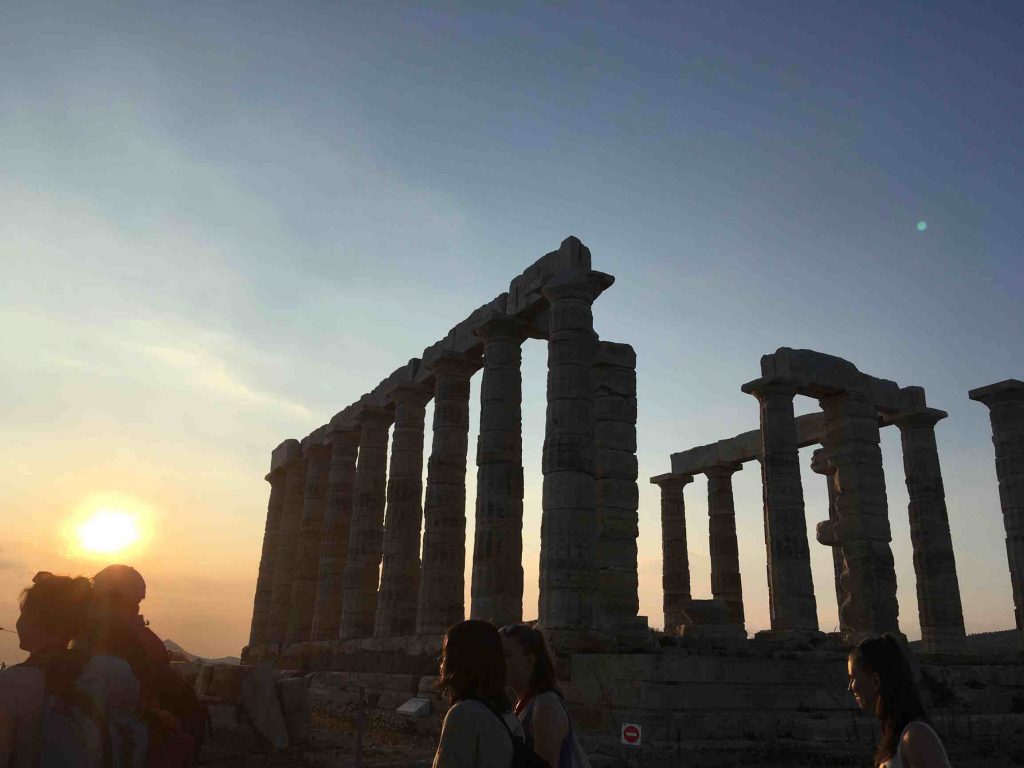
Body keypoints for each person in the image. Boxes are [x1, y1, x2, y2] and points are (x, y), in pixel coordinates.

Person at [0, 572, 93, 768]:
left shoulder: (13, 683)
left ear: (39, 620)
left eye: (23, 612)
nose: (19, 621)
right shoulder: (89, 674)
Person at [432, 619, 527, 768]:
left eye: (446, 652)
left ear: (460, 660)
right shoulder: (507, 714)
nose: (441, 660)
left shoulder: (463, 714)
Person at [848, 634, 952, 768]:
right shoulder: (897, 738)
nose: (850, 687)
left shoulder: (916, 736)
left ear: (876, 681)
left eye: (853, 678)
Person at [500, 624, 590, 768]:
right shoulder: (524, 703)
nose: (499, 663)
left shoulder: (545, 705)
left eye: (506, 655)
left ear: (530, 660)